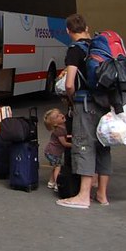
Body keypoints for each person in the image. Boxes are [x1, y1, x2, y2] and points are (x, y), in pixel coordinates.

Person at [57, 13, 112, 209]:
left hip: (85, 104)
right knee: (103, 145)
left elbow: (69, 83)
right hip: (103, 103)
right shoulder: (99, 47)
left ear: (68, 31)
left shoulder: (75, 50)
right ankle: (102, 195)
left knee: (84, 145)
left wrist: (71, 99)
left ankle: (83, 196)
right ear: (86, 28)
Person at [43, 108, 72, 191]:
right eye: (57, 116)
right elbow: (64, 143)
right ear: (55, 123)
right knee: (58, 167)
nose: (61, 115)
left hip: (53, 152)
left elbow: (65, 136)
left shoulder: (61, 128)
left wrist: (71, 136)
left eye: (60, 113)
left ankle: (51, 182)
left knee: (55, 166)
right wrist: (74, 145)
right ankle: (57, 183)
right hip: (52, 152)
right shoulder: (59, 130)